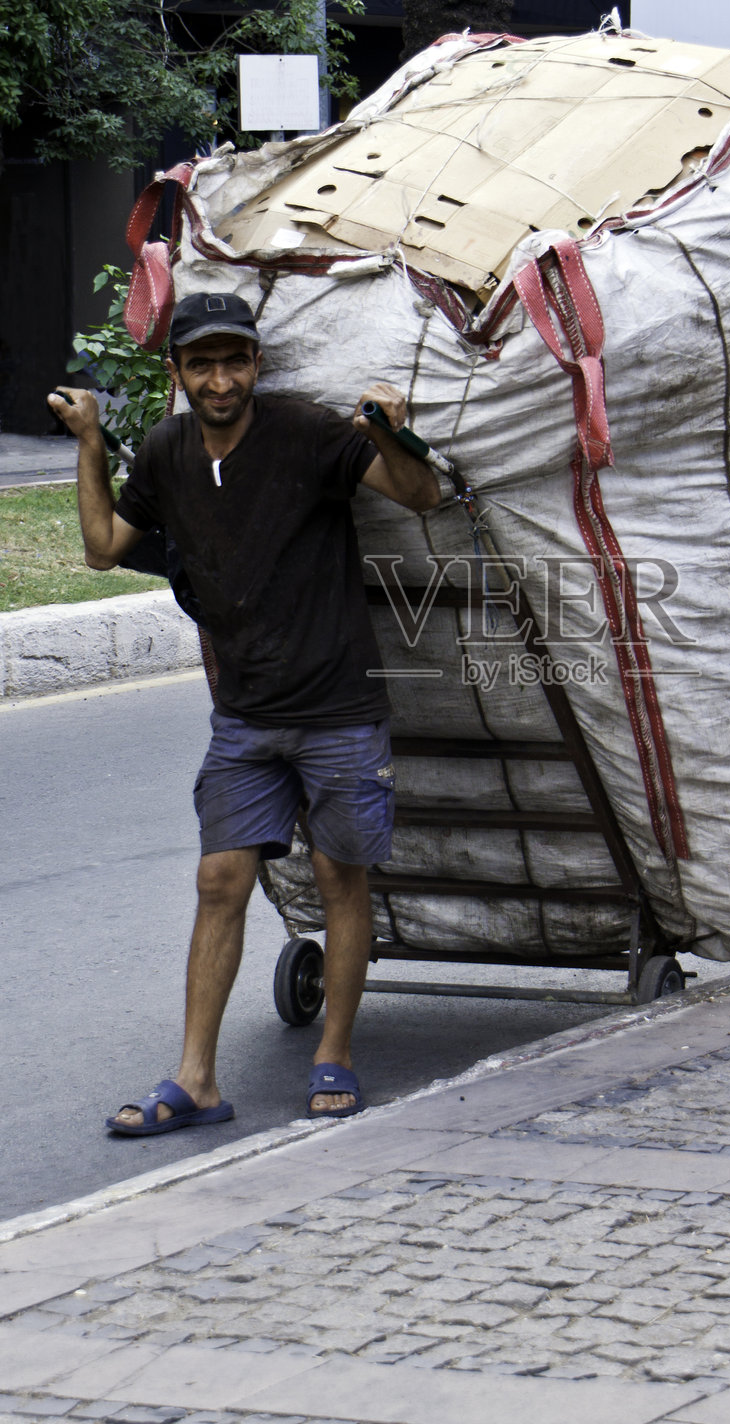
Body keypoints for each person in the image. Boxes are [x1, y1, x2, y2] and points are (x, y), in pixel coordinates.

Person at [48, 291, 441, 1133]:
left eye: (234, 361)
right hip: (246, 714)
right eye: (202, 364)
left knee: (339, 875)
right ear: (178, 373)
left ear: (256, 365)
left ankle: (332, 1055)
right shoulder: (165, 451)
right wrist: (89, 445)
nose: (220, 379)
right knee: (218, 878)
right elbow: (103, 547)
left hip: (337, 707)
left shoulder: (306, 433)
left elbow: (421, 496)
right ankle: (196, 1080)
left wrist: (387, 431)